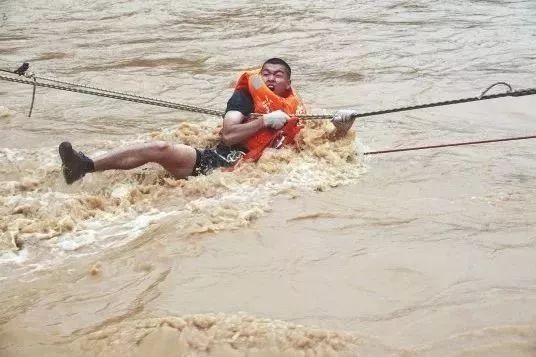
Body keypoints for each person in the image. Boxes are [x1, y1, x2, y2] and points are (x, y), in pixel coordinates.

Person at [59, 58, 357, 184]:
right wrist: (265, 120)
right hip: (221, 161)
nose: (270, 77)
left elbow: (318, 146)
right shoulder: (243, 99)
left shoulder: (296, 109)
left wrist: (341, 127)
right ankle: (84, 166)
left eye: (278, 74)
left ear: (289, 82)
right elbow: (228, 135)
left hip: (260, 176)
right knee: (161, 149)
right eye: (265, 72)